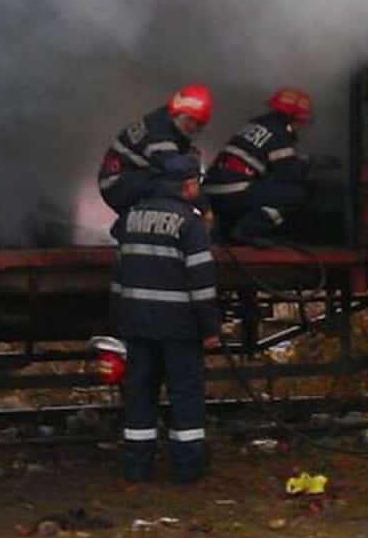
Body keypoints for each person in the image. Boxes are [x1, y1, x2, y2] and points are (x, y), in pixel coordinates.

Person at [113, 154, 220, 484]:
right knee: (185, 393)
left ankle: (137, 466)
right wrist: (210, 328)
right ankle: (187, 468)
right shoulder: (190, 223)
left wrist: (121, 320)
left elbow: (118, 277)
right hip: (178, 326)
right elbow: (202, 283)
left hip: (136, 324)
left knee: (140, 393)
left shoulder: (130, 218)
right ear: (188, 186)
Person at [202, 87, 312, 244]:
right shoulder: (279, 133)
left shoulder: (255, 125)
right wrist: (308, 165)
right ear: (292, 118)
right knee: (295, 195)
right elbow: (288, 174)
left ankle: (227, 233)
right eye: (302, 121)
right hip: (235, 191)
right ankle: (249, 230)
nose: (302, 126)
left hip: (211, 192)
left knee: (260, 190)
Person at [97, 84, 212, 225]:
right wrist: (205, 209)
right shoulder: (160, 133)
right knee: (172, 188)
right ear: (178, 113)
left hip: (126, 180)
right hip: (117, 183)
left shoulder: (165, 120)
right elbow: (179, 172)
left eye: (198, 124)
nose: (193, 127)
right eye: (190, 120)